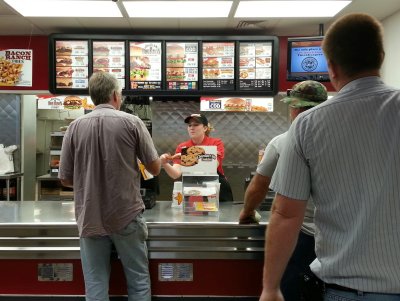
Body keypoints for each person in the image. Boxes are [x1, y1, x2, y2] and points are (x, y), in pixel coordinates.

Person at [260, 13, 400, 301]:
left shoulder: (308, 124)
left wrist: (271, 288)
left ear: (331, 66)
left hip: (347, 290)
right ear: (382, 57)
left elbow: (286, 214)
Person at [59, 71, 161, 301]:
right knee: (138, 280)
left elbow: (65, 178)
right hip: (127, 214)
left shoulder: (74, 127)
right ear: (115, 95)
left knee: (95, 282)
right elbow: (155, 169)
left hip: (89, 216)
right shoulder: (132, 122)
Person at [239, 80, 327, 301]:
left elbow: (259, 186)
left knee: (294, 292)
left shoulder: (282, 142)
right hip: (340, 235)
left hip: (301, 237)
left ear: (294, 109)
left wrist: (247, 212)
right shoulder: (342, 140)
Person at [160, 113, 234, 202]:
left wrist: (186, 156)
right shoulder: (182, 147)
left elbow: (212, 165)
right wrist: (165, 163)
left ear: (205, 128)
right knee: (192, 214)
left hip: (216, 189)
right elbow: (175, 174)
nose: (192, 127)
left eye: (196, 125)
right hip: (192, 188)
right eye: (189, 125)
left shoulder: (215, 143)